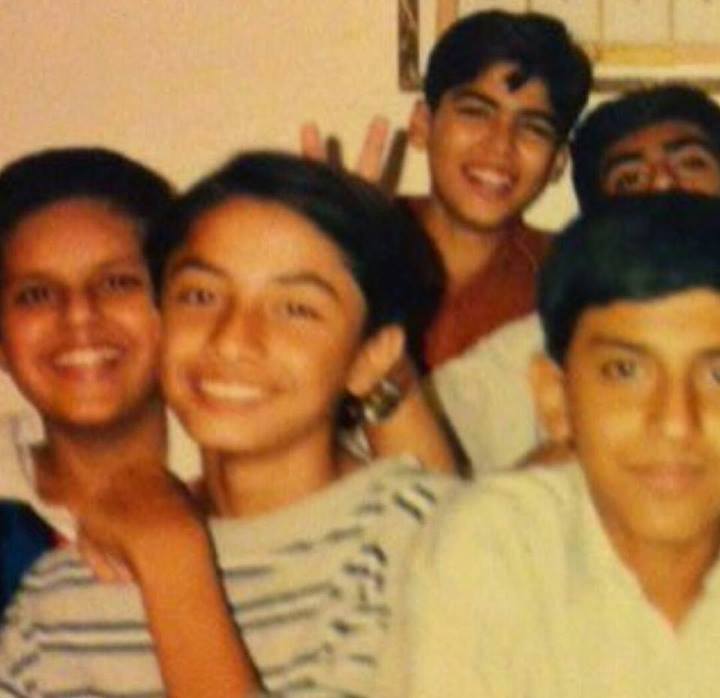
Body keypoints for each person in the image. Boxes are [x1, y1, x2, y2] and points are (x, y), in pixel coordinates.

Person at [0, 152, 459, 697]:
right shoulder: (60, 595)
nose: (232, 338)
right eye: (201, 296)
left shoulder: (412, 538)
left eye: (296, 309)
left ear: (372, 356)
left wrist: (173, 564)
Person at [382, 193, 720, 697]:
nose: (675, 421)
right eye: (625, 371)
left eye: (718, 375)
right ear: (555, 399)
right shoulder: (495, 551)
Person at [432, 84, 720, 471]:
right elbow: (400, 475)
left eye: (691, 164)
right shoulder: (533, 349)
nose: (664, 185)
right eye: (630, 179)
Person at [305, 9, 592, 370]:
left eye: (533, 128)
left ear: (558, 162)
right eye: (475, 112)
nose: (500, 146)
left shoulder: (572, 280)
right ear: (422, 124)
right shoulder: (355, 240)